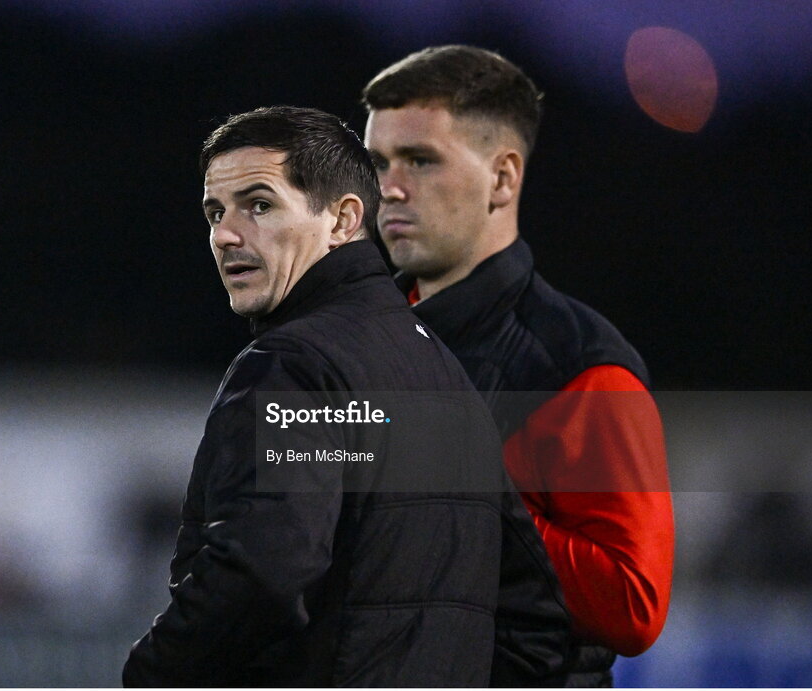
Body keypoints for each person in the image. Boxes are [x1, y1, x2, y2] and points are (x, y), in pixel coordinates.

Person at [122, 106, 509, 686]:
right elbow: (525, 598)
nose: (225, 234)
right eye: (214, 212)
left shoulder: (296, 366)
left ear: (342, 220)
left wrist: (153, 673)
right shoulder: (448, 374)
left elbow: (264, 569)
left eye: (260, 205)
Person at [363, 45, 675, 686]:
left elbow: (631, 605)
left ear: (503, 179)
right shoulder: (346, 341)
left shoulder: (580, 367)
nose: (388, 189)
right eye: (378, 162)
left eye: (420, 161)